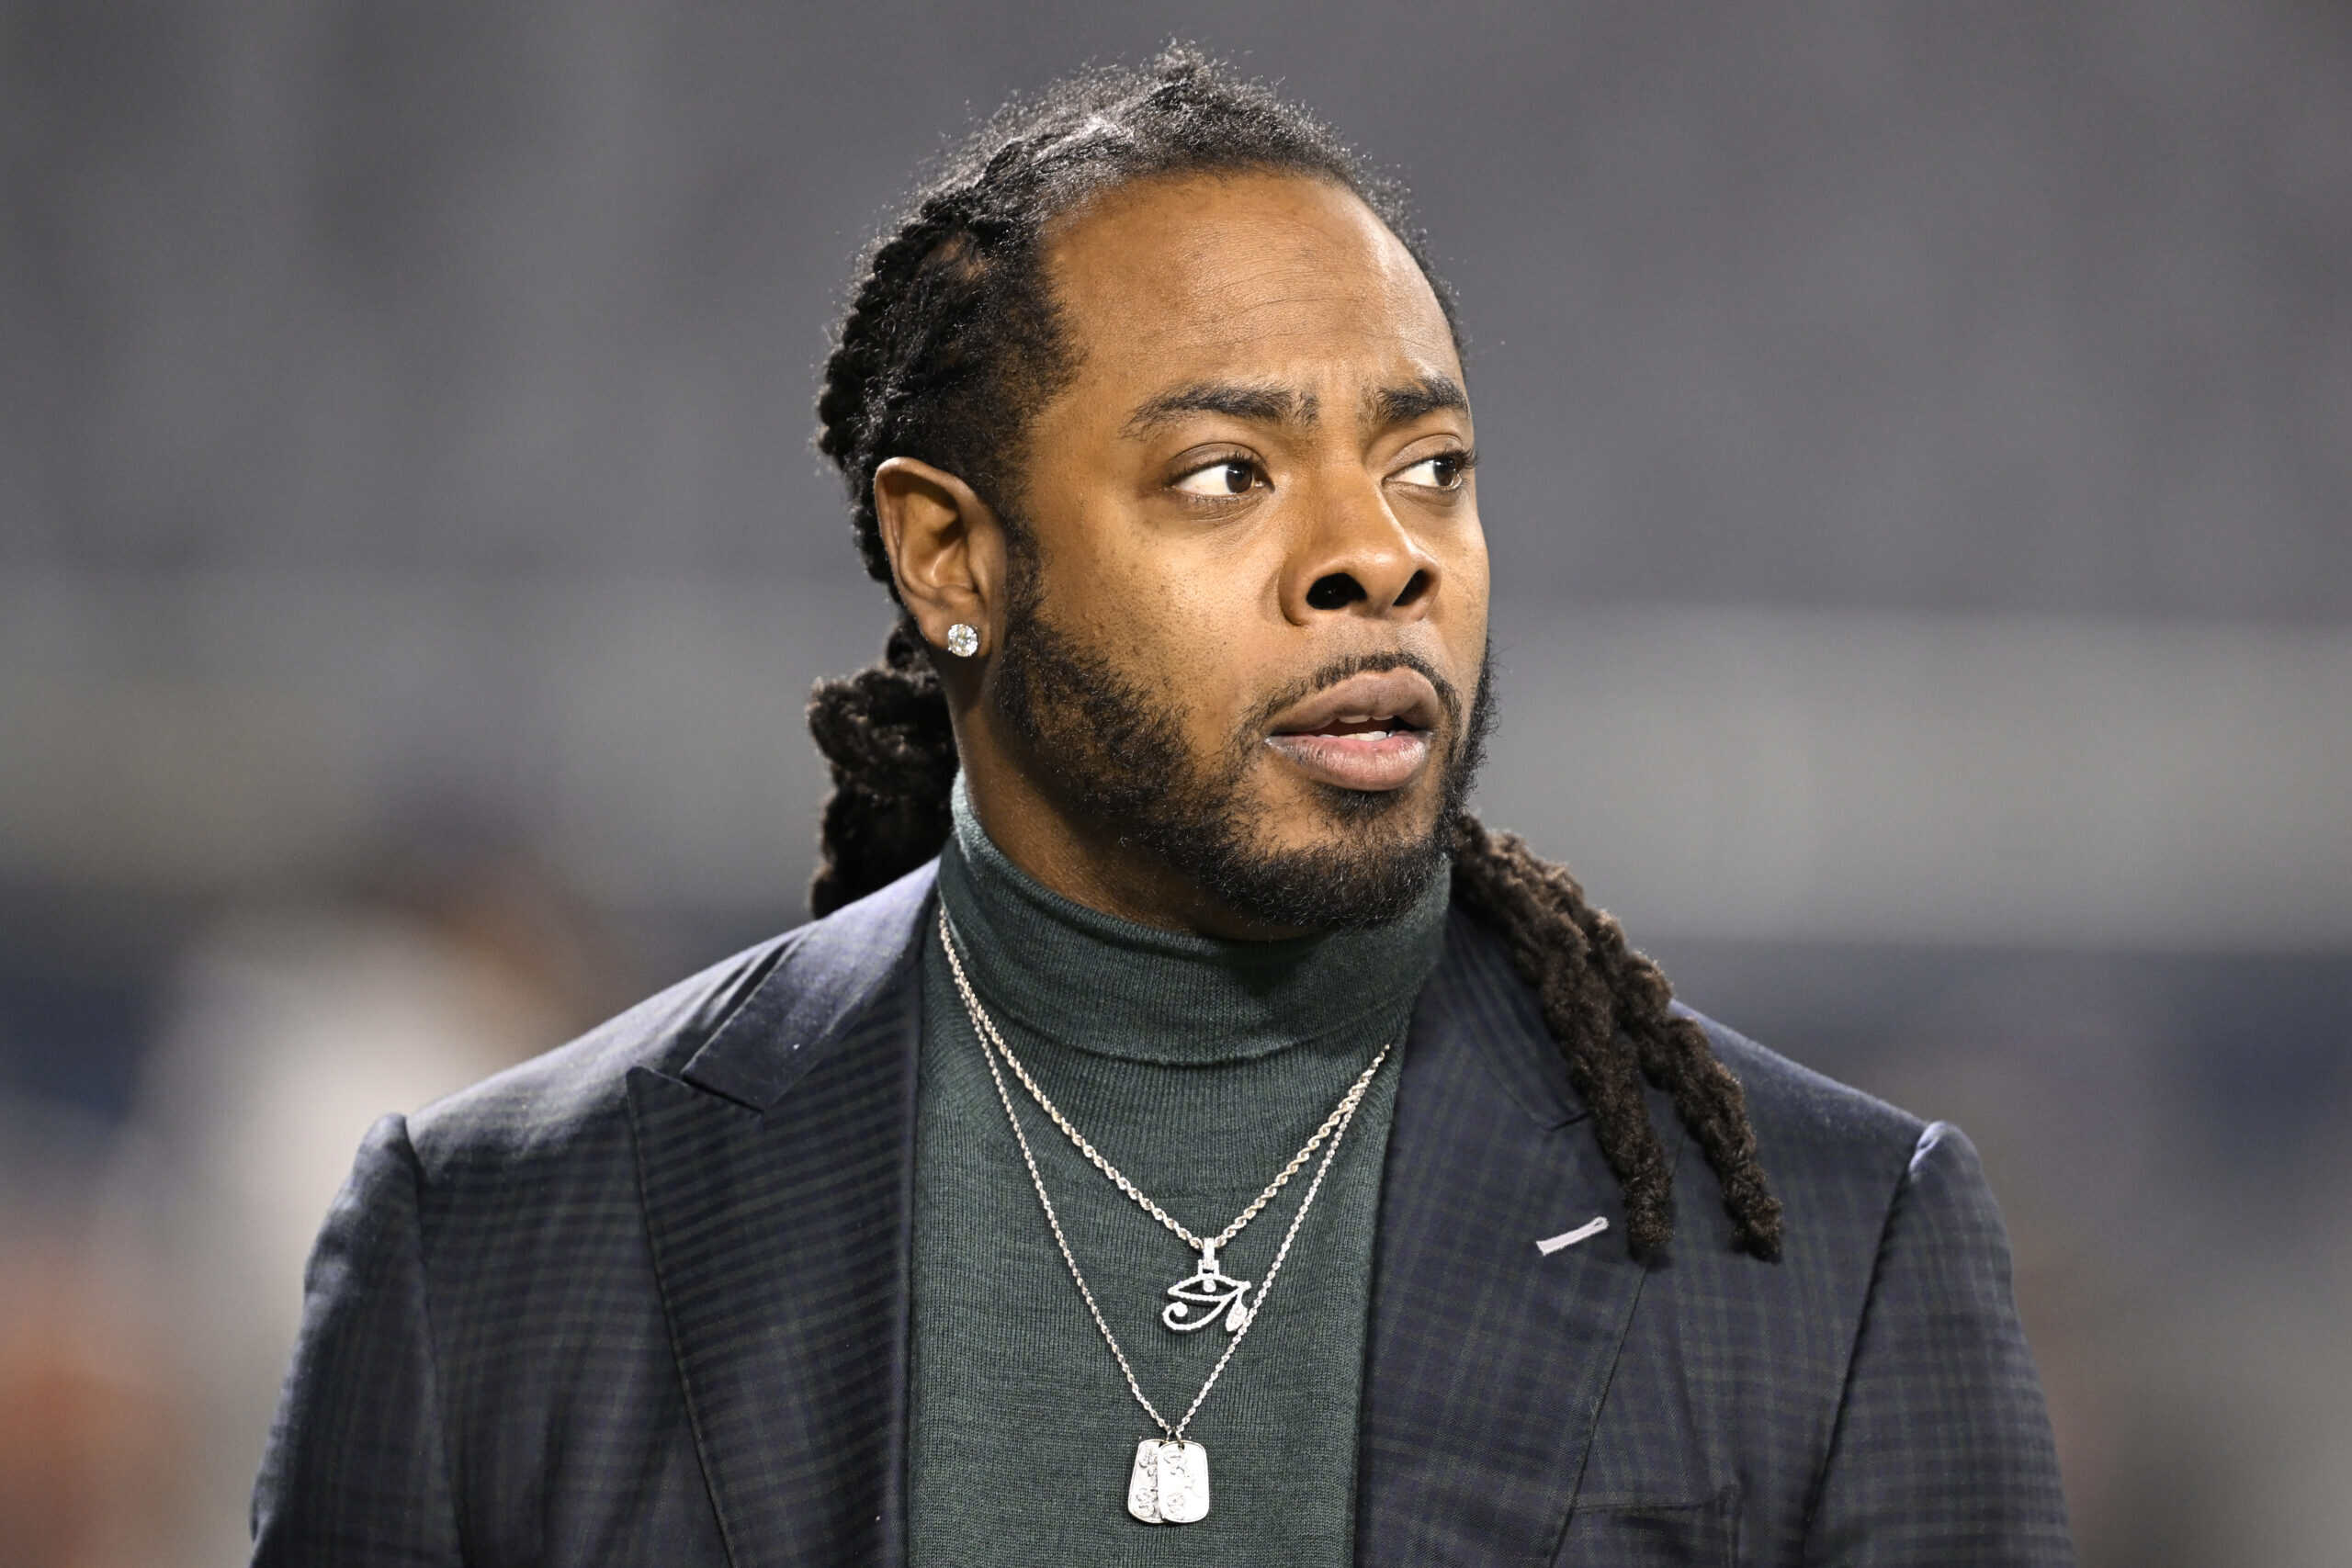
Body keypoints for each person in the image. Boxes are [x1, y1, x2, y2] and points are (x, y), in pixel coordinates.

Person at [252, 47, 2073, 1567]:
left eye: (1427, 466)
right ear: (949, 553)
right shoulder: (494, 1243)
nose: (1376, 554)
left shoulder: (1828, 1254)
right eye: (1225, 472)